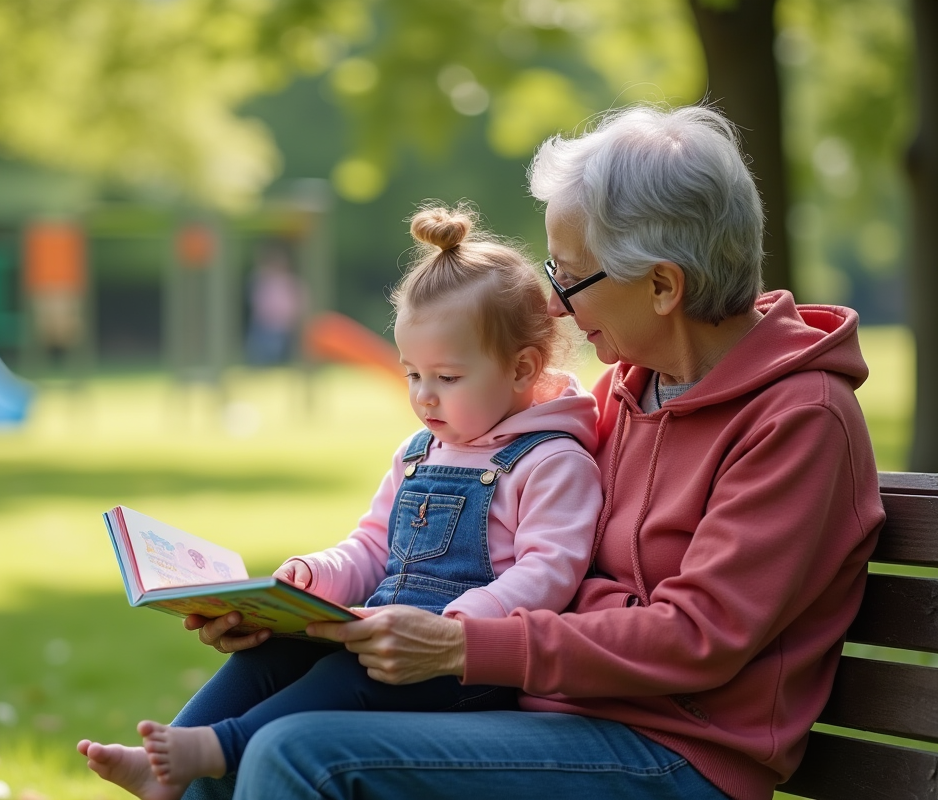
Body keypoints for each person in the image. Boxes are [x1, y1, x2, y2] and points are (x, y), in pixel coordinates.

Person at [87, 103, 886, 800]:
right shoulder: (624, 392)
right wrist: (287, 614)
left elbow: (696, 636)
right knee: (254, 708)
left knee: (304, 757)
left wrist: (468, 642)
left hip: (672, 757)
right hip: (545, 708)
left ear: (663, 287)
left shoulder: (799, 420)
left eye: (570, 280)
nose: (553, 305)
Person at [77, 204, 605, 799]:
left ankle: (218, 749)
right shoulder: (419, 453)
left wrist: (456, 630)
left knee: (350, 670)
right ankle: (175, 747)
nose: (425, 397)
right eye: (412, 375)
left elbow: (549, 572)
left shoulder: (552, 461)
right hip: (383, 636)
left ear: (521, 369)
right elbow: (372, 547)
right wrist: (314, 576)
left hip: (463, 669)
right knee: (277, 649)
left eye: (447, 378)